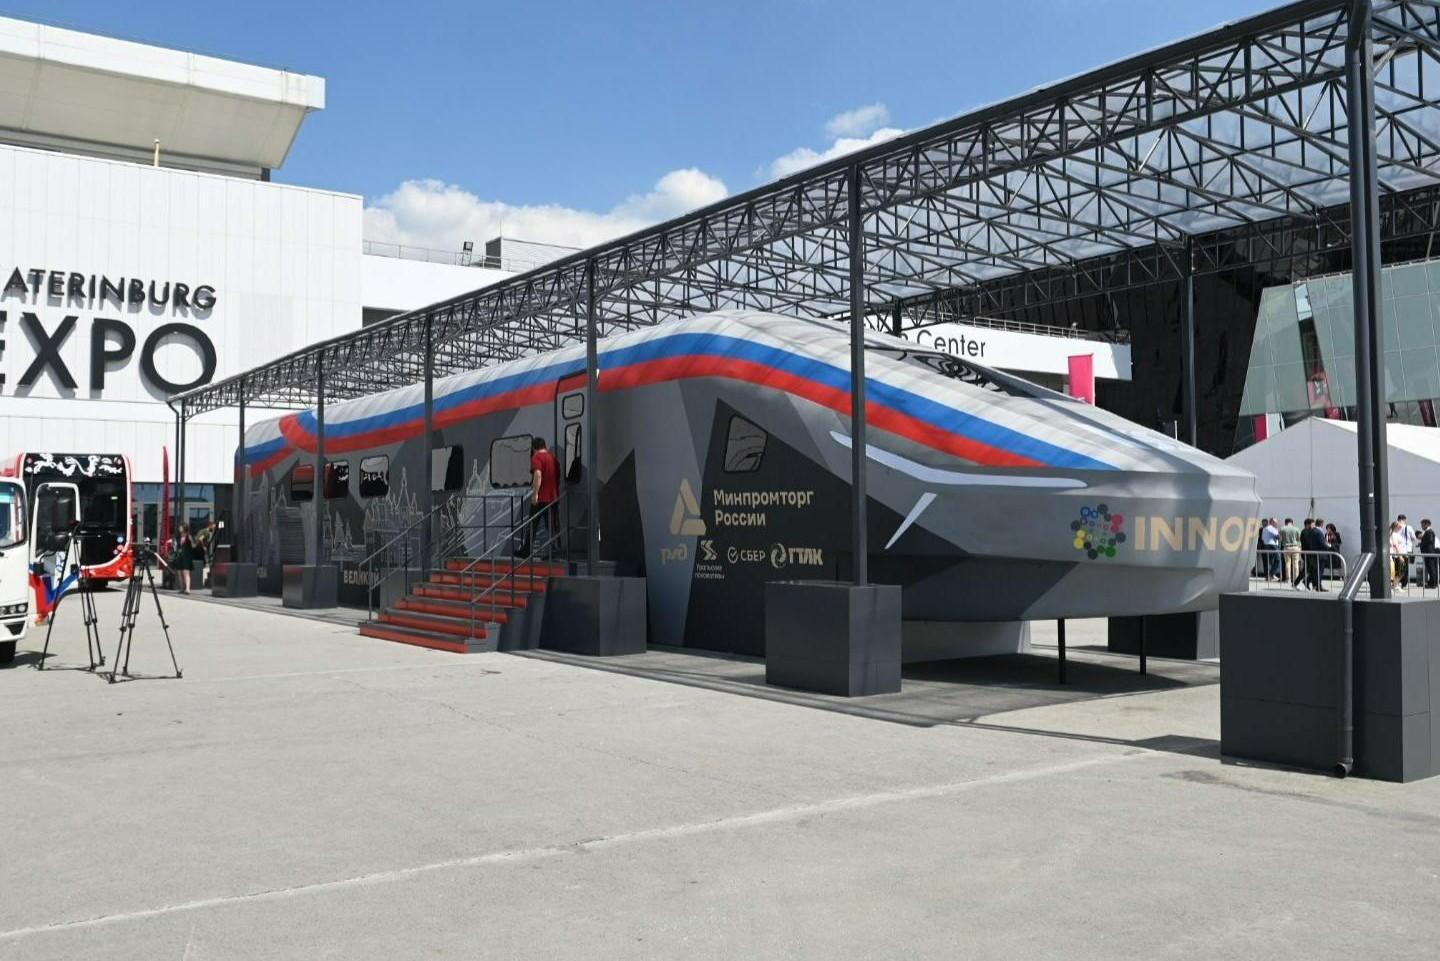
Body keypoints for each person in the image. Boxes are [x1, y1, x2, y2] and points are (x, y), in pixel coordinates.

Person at [527, 436, 560, 558]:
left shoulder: (537, 457)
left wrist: (535, 493)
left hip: (541, 498)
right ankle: (555, 550)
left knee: (532, 524)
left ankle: (526, 550)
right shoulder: (553, 459)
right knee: (551, 526)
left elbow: (538, 474)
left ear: (534, 448)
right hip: (553, 498)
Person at [1294, 518, 1325, 591]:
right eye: (1312, 524)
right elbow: (1308, 543)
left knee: (1312, 570)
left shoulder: (1309, 531)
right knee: (1307, 570)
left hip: (1310, 553)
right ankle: (1297, 583)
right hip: (1308, 554)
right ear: (1308, 524)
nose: (1314, 526)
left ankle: (1313, 584)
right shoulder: (1305, 532)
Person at [1396, 514, 1418, 589]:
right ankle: (1404, 583)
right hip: (1407, 549)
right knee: (1406, 567)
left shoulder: (1395, 527)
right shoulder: (1408, 527)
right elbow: (1414, 538)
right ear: (1405, 519)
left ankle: (1397, 582)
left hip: (1398, 550)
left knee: (1398, 566)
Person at [1280, 517, 1302, 585]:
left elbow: (1280, 539)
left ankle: (1288, 579)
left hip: (1286, 547)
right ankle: (1296, 579)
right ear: (1292, 522)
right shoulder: (1296, 528)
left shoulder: (1282, 528)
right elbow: (1299, 538)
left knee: (1287, 563)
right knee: (1295, 563)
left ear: (1285, 522)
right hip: (1295, 547)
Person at [173, 530, 194, 594]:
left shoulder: (188, 537)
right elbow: (175, 547)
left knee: (186, 572)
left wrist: (190, 540)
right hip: (179, 556)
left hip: (186, 557)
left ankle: (187, 589)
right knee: (179, 573)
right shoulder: (177, 538)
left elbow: (193, 546)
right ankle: (182, 588)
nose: (181, 531)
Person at [1389, 521, 1408, 589]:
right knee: (1401, 571)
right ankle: (1395, 585)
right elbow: (1395, 545)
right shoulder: (1394, 534)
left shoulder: (1396, 534)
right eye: (1399, 527)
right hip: (1397, 555)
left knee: (1400, 571)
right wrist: (1400, 556)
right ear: (1396, 527)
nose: (1400, 528)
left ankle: (1395, 585)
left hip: (1400, 554)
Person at [1421, 519, 1438, 590]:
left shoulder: (1429, 532)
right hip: (1429, 552)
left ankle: (1433, 584)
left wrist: (1422, 544)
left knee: (1431, 568)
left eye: (1423, 524)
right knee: (1430, 568)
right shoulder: (1428, 532)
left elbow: (1430, 541)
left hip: (1429, 552)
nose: (1422, 526)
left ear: (1427, 524)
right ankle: (1432, 583)